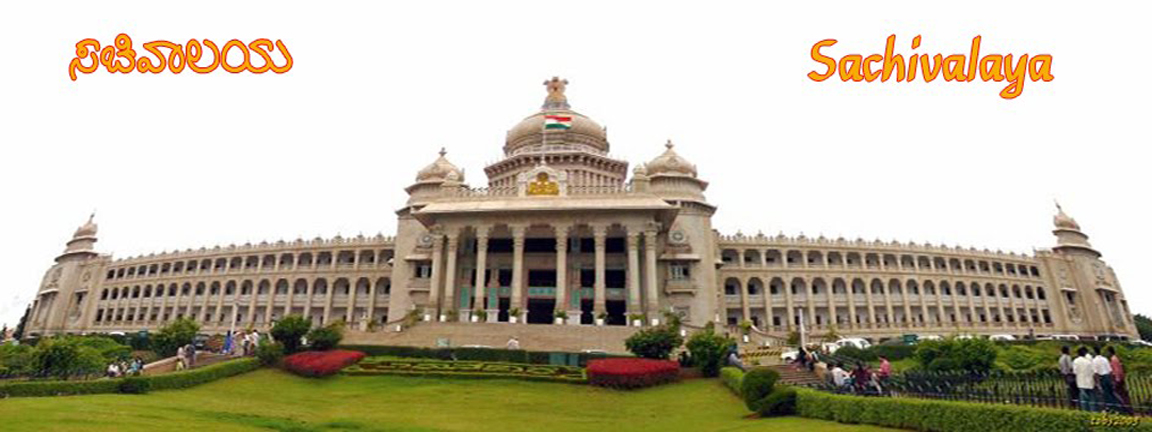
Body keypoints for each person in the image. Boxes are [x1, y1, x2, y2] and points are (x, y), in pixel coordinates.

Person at [1108, 347, 1132, 414]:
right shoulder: (1115, 358)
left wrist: (1117, 379)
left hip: (1117, 379)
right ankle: (1127, 409)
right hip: (1120, 378)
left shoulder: (1113, 359)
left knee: (1120, 395)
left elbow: (1117, 370)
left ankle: (1125, 409)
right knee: (1122, 394)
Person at [1093, 346, 1118, 412]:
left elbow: (1096, 373)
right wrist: (1112, 380)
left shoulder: (1094, 361)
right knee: (1111, 393)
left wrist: (1097, 383)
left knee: (1105, 394)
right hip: (1108, 377)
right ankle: (1115, 407)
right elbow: (1110, 370)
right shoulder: (1105, 359)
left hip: (1102, 378)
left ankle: (1109, 408)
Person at [1073, 347, 1096, 411]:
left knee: (1083, 400)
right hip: (1090, 382)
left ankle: (1085, 413)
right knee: (1092, 400)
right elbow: (1093, 371)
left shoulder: (1076, 361)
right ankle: (1093, 412)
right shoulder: (1088, 362)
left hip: (1081, 382)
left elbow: (1075, 372)